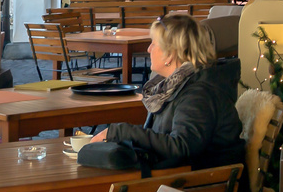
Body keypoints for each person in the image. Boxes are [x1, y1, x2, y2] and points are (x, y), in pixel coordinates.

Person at [99, 13, 246, 169]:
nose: (148, 49)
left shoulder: (199, 93)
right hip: (183, 179)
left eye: (154, 44)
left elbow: (182, 146)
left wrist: (121, 132)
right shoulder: (172, 87)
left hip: (202, 187)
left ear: (170, 54)